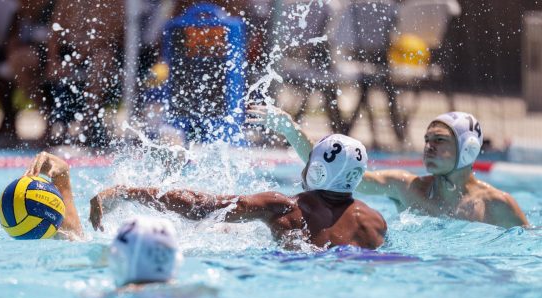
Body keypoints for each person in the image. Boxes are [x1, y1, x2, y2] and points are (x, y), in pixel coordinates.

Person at [247, 105, 529, 229]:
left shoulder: (498, 205)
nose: (428, 146)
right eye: (427, 139)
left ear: (468, 149)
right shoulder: (406, 187)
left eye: (440, 140)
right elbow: (333, 168)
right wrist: (290, 129)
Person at [89, 134, 387, 250]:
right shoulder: (374, 222)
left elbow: (201, 207)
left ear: (318, 170)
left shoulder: (286, 207)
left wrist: (127, 191)